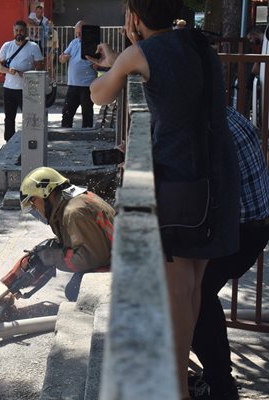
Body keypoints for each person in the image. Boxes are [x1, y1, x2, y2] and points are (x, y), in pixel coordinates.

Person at [88, 1, 241, 399]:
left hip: (177, 183)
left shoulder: (140, 53)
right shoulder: (197, 43)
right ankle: (179, 383)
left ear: (134, 19)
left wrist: (116, 61)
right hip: (215, 176)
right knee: (193, 285)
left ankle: (176, 388)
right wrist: (121, 60)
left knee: (177, 292)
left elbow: (99, 96)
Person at [190, 106, 269, 400]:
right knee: (197, 294)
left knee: (194, 297)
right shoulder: (221, 114)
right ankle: (217, 377)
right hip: (250, 226)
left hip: (243, 230)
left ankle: (220, 385)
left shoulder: (203, 128)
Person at [18, 167, 114, 274]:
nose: (35, 208)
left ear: (46, 192)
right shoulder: (73, 202)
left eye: (33, 201)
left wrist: (51, 257)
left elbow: (90, 259)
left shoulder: (74, 212)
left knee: (72, 289)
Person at [0, 20, 44, 141]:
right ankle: (9, 141)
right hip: (9, 88)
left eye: (21, 31)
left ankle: (31, 140)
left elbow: (40, 67)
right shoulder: (7, 46)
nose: (19, 33)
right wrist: (8, 71)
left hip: (27, 89)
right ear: (13, 31)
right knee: (9, 117)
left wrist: (28, 74)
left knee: (29, 117)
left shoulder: (33, 47)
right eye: (16, 30)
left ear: (26, 32)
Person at [58, 20, 97, 128]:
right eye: (77, 33)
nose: (78, 35)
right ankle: (65, 135)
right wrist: (63, 57)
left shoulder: (94, 43)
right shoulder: (74, 42)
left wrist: (97, 65)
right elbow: (61, 59)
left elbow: (102, 61)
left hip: (87, 84)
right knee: (67, 113)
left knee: (87, 113)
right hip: (73, 84)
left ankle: (87, 138)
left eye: (80, 33)